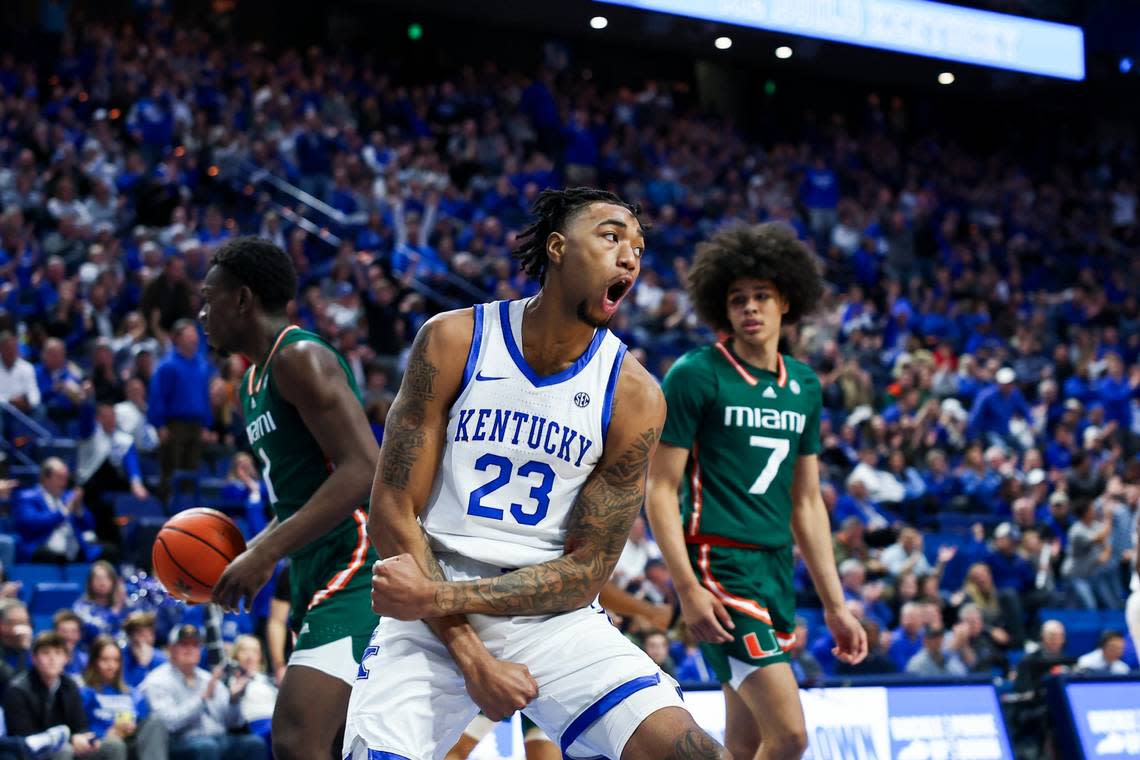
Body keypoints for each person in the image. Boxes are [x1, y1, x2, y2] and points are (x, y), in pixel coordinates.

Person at [346, 188, 726, 759]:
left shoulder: (635, 395)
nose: (630, 256)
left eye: (639, 248)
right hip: (429, 611)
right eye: (612, 235)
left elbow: (588, 570)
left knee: (695, 753)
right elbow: (392, 511)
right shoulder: (454, 340)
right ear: (556, 247)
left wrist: (437, 595)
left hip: (546, 615)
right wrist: (472, 655)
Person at [646, 222, 866, 760]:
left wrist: (836, 605)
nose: (751, 308)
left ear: (786, 301)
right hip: (718, 567)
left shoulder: (805, 386)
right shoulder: (696, 374)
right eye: (738, 299)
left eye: (762, 296)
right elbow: (660, 489)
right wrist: (687, 588)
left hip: (774, 569)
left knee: (744, 747)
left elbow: (807, 502)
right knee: (789, 736)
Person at [199, 236, 381, 760]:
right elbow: (294, 499)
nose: (203, 313)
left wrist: (266, 552)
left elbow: (364, 468)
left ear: (242, 300)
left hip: (357, 559)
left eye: (211, 299)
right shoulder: (251, 382)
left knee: (297, 735)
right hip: (312, 564)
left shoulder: (299, 357)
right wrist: (247, 550)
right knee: (343, 742)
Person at [139, 625, 266, 760]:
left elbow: (233, 723)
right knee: (206, 747)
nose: (190, 649)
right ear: (171, 649)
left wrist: (234, 700)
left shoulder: (207, 678)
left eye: (195, 645)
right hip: (179, 742)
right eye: (184, 644)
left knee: (254, 744)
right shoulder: (157, 680)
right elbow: (168, 723)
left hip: (218, 738)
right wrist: (203, 698)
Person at [4, 632, 110, 759]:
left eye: (58, 653)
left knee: (112, 746)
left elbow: (81, 725)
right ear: (34, 659)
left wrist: (85, 738)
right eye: (46, 653)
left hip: (68, 745)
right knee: (64, 750)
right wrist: (71, 739)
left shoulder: (70, 685)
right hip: (30, 753)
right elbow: (28, 738)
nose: (52, 658)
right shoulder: (18, 689)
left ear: (66, 658)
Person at [79, 635, 168, 758]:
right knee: (115, 745)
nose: (111, 665)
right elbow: (79, 731)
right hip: (102, 745)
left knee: (155, 722)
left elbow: (146, 725)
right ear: (94, 662)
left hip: (130, 741)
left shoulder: (132, 693)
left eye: (116, 660)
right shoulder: (85, 693)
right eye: (105, 660)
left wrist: (132, 727)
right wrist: (107, 733)